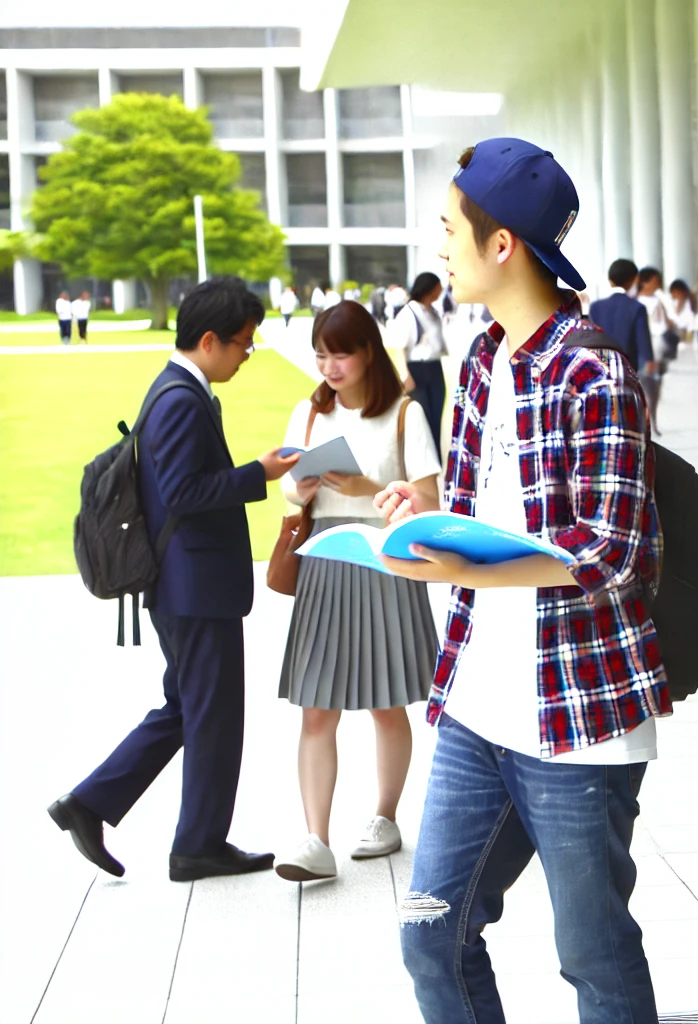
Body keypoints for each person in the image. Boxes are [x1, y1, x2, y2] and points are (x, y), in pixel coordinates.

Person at [374, 138, 665, 1023]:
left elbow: (613, 550)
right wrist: (419, 515)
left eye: (450, 228)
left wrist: (473, 567)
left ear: (503, 246)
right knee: (431, 929)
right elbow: (482, 507)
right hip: (476, 702)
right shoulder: (477, 360)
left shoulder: (592, 366)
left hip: (575, 717)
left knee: (594, 956)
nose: (440, 246)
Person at [48, 277, 300, 881]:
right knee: (211, 716)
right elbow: (186, 493)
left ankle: (89, 804)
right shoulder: (181, 399)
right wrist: (257, 473)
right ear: (209, 340)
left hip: (186, 583)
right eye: (243, 342)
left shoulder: (177, 390)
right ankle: (196, 846)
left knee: (187, 708)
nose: (247, 353)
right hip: (194, 585)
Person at [272, 301, 441, 883]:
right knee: (317, 707)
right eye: (320, 354)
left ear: (368, 351)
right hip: (323, 555)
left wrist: (368, 487)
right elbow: (292, 498)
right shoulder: (309, 413)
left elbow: (430, 503)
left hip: (384, 557)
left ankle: (384, 817)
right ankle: (315, 839)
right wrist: (303, 489)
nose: (329, 365)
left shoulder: (404, 414)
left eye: (339, 352)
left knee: (385, 700)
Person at [386, 272, 451, 454]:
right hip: (417, 369)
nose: (440, 292)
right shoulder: (409, 313)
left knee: (436, 416)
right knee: (422, 418)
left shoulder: (432, 311)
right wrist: (405, 374)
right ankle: (423, 460)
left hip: (434, 367)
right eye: (437, 288)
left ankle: (436, 459)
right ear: (428, 289)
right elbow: (400, 346)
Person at [589, 258, 655, 374]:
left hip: (600, 368)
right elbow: (643, 339)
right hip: (627, 369)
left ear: (610, 280)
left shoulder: (595, 307)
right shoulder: (637, 307)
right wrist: (649, 360)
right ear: (634, 279)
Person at [635, 266, 669, 431]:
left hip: (657, 351)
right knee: (647, 390)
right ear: (645, 282)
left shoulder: (657, 301)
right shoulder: (636, 302)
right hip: (647, 353)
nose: (657, 285)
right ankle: (647, 423)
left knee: (654, 391)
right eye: (654, 281)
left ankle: (652, 421)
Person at [667, 278, 698, 358]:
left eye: (674, 294)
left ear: (678, 292)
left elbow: (676, 317)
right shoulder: (689, 301)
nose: (673, 296)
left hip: (686, 336)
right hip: (688, 335)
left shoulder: (684, 302)